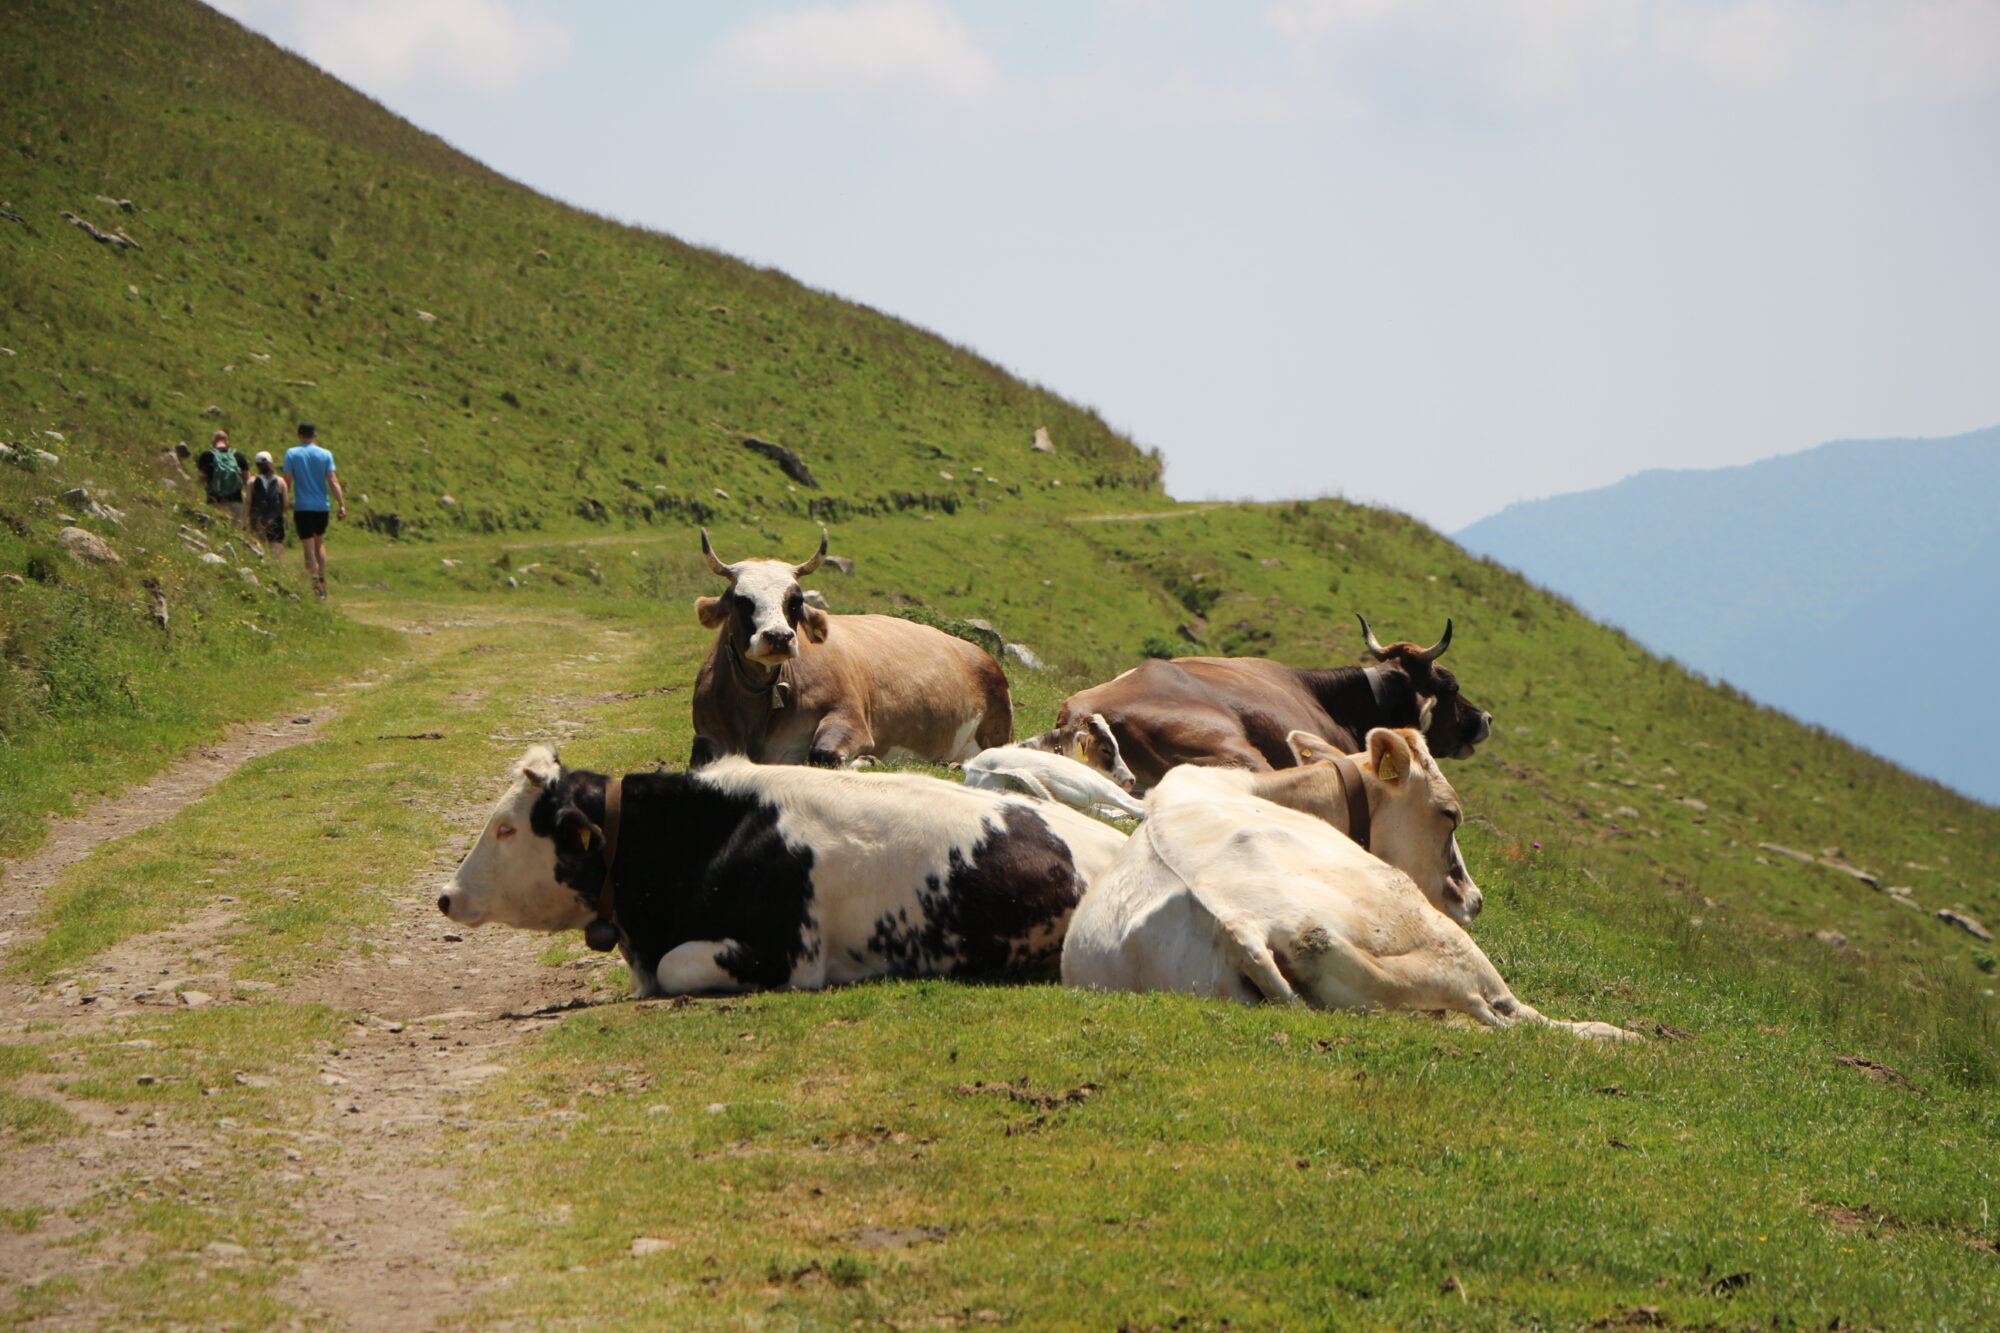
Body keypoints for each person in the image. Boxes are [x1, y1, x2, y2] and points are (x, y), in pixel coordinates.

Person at [282, 422, 345, 599]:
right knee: (320, 542)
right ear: (315, 435)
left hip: (303, 506)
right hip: (321, 506)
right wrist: (341, 504)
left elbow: (287, 480)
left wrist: (284, 501)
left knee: (308, 547)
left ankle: (315, 584)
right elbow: (333, 480)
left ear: (299, 435)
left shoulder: (292, 453)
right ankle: (323, 581)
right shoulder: (326, 454)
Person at [241, 451, 289, 560]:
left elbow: (248, 502)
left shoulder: (252, 481)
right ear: (271, 463)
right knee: (276, 548)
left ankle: (261, 566)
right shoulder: (281, 481)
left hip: (257, 518)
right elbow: (285, 504)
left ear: (257, 465)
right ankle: (277, 569)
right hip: (275, 519)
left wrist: (244, 520)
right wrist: (279, 514)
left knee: (258, 547)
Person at [196, 430, 249, 514]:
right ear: (227, 442)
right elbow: (247, 480)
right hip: (236, 499)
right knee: (236, 526)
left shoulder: (206, 456)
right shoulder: (239, 456)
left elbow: (201, 479)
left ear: (213, 441)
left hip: (214, 500)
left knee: (215, 525)